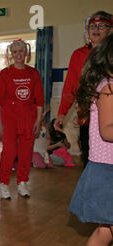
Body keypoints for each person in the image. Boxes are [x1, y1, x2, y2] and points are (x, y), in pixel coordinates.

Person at [63, 33, 113, 246]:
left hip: (108, 169)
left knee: (107, 230)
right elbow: (107, 130)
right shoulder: (108, 87)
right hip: (107, 170)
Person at [54, 11, 112, 168]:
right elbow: (71, 86)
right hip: (89, 120)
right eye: (93, 25)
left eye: (101, 25)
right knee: (92, 163)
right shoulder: (79, 55)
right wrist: (61, 113)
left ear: (110, 30)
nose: (96, 28)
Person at [0, 39, 44, 199]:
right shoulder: (4, 74)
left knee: (26, 152)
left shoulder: (33, 73)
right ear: (11, 54)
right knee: (9, 152)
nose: (18, 55)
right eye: (14, 52)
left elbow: (39, 100)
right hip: (9, 118)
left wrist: (38, 121)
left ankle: (22, 182)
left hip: (28, 118)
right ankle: (4, 183)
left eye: (20, 51)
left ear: (26, 53)